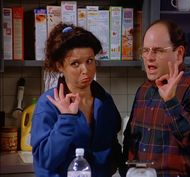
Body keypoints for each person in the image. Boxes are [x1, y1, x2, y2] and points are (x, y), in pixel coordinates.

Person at [122, 19, 190, 177]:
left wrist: (171, 102)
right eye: (145, 50)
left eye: (158, 51)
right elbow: (130, 142)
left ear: (179, 54)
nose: (149, 57)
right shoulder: (144, 90)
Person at [30, 23, 122, 177]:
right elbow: (45, 160)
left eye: (90, 61)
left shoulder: (104, 100)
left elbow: (112, 145)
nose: (85, 70)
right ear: (60, 66)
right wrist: (66, 119)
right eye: (75, 64)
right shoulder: (48, 104)